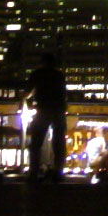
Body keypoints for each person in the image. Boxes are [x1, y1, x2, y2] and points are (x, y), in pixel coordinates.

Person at [26, 53, 67, 182]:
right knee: (59, 142)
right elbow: (64, 94)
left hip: (43, 109)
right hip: (58, 110)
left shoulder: (37, 74)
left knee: (36, 143)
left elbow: (27, 91)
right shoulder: (59, 75)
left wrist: (28, 102)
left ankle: (34, 172)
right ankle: (58, 171)